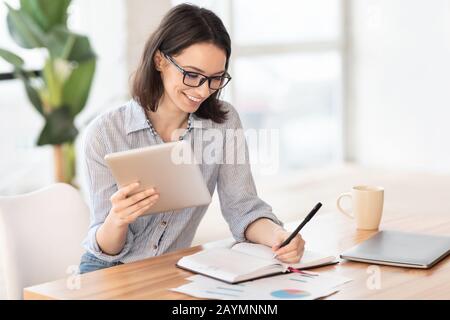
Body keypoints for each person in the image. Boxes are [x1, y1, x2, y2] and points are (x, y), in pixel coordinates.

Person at [79, 3, 304, 274]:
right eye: (192, 75)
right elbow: (105, 247)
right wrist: (117, 220)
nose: (203, 90)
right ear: (160, 60)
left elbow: (243, 208)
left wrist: (278, 236)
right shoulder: (105, 134)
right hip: (109, 270)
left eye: (215, 79)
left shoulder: (223, 123)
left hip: (170, 270)